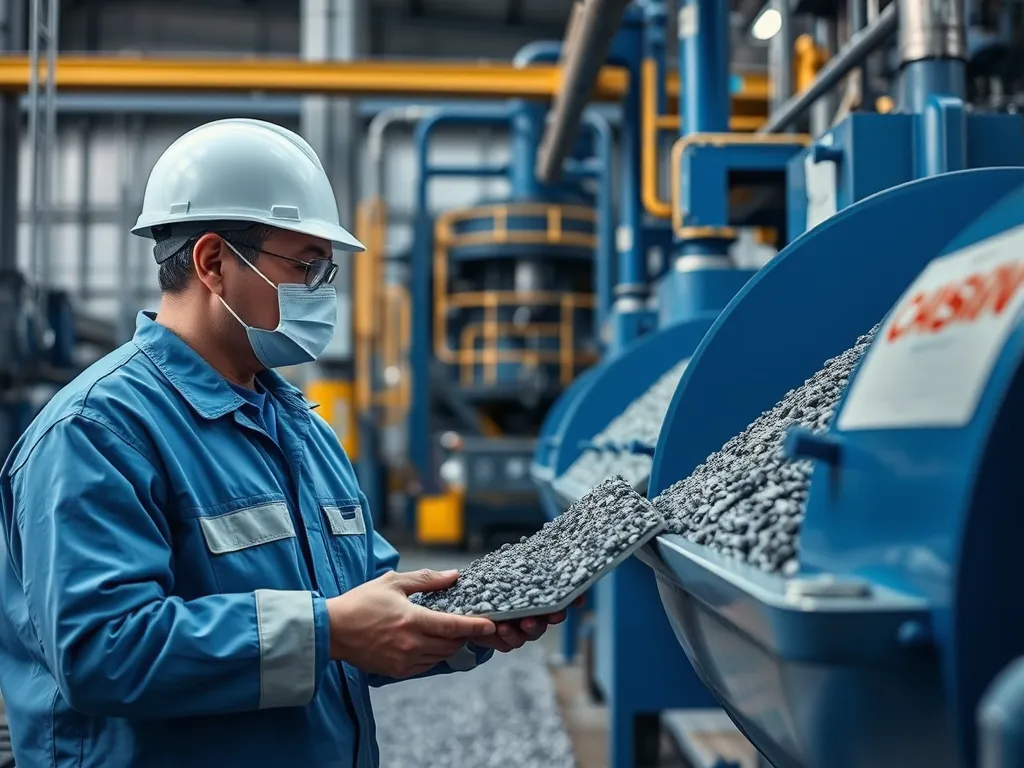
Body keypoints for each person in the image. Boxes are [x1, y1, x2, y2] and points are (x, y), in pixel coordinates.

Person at [0, 118, 572, 767]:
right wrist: (325, 632)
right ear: (213, 262)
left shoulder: (299, 425)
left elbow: (365, 605)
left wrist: (472, 623)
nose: (323, 293)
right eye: (307, 267)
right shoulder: (98, 432)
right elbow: (101, 651)